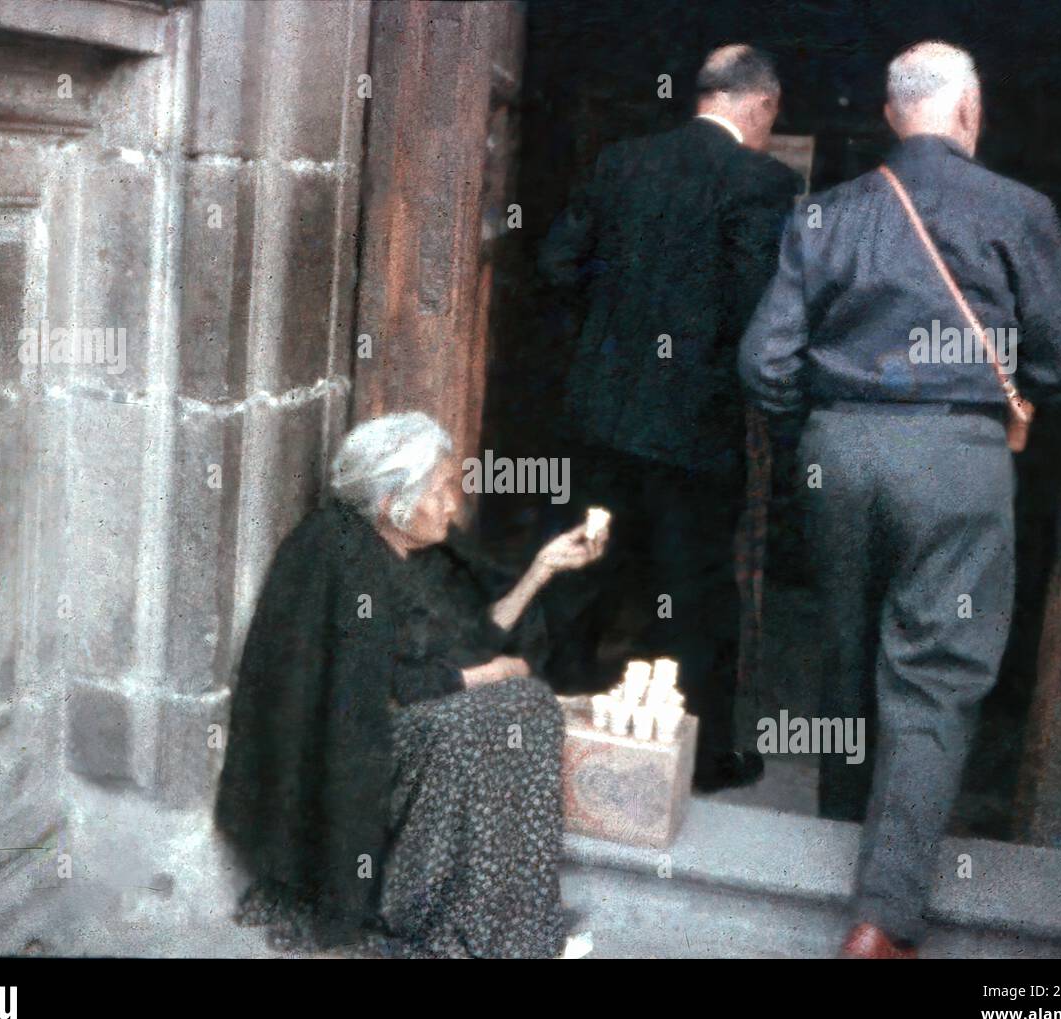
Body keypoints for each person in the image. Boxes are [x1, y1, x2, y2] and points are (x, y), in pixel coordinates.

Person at [739, 41, 1061, 957]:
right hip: (955, 456)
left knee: (847, 649)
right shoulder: (1020, 210)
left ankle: (837, 846)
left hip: (838, 450)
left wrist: (812, 435)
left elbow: (764, 361)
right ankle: (883, 917)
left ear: (894, 115)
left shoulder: (823, 215)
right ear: (969, 111)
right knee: (933, 673)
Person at [213, 411, 606, 959]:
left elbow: (474, 637)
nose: (452, 503)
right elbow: (373, 692)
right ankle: (454, 916)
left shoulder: (417, 553)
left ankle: (502, 919)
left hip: (397, 724)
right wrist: (483, 678)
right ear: (390, 502)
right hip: (353, 755)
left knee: (523, 706)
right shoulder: (343, 559)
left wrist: (542, 569)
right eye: (442, 490)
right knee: (519, 704)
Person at [539, 44, 802, 792]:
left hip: (598, 416)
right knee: (692, 592)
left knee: (582, 574)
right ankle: (698, 760)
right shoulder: (765, 181)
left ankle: (549, 738)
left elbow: (558, 265)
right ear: (762, 105)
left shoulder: (623, 161)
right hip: (693, 432)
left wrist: (611, 332)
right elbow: (759, 313)